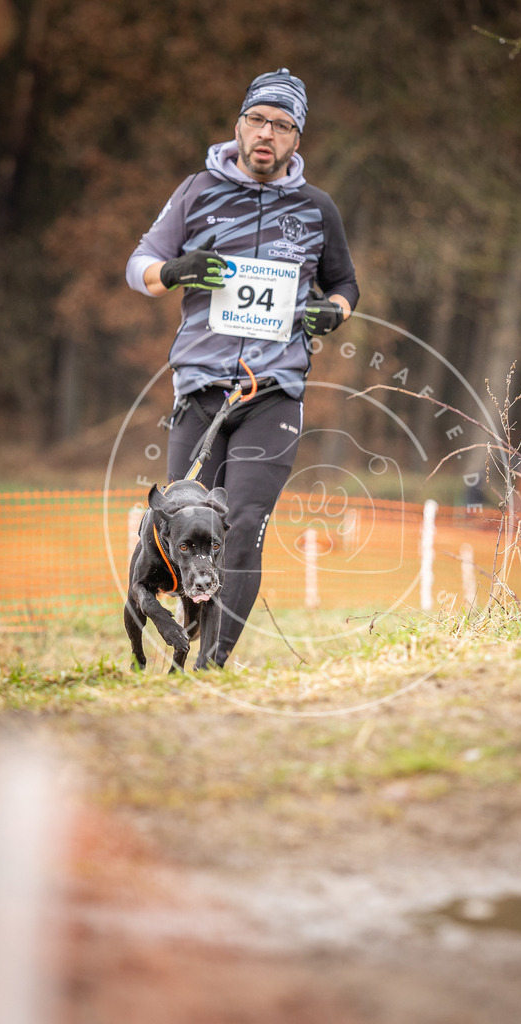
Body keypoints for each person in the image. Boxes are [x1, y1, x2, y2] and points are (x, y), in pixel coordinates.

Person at [126, 67, 359, 667]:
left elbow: (345, 285)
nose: (266, 133)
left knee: (244, 520)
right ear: (239, 125)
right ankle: (184, 650)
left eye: (282, 125)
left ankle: (212, 663)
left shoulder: (316, 208)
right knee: (187, 524)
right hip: (200, 390)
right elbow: (139, 265)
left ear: (296, 138)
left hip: (273, 393)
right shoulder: (198, 190)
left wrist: (332, 312)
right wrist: (173, 271)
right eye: (257, 119)